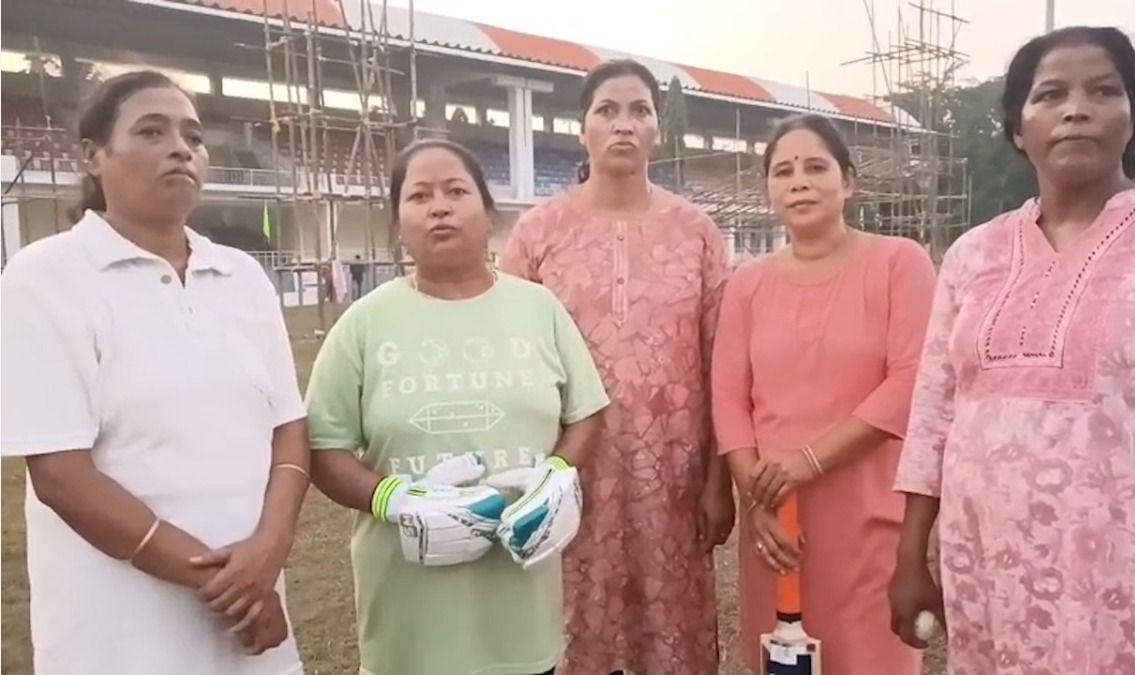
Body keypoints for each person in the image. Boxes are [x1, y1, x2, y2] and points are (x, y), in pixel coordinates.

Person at [889, 26, 1135, 675]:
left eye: (1103, 91)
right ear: (1016, 129)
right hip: (988, 580)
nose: (1076, 108)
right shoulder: (975, 254)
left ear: (1134, 118)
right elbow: (934, 411)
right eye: (1050, 94)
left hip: (1126, 588)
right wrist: (911, 556)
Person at [0, 70, 309, 674]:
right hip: (121, 637)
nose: (181, 149)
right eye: (151, 131)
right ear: (93, 156)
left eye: (194, 138)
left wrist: (268, 551)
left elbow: (289, 429)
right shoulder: (46, 278)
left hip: (253, 625)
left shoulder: (242, 276)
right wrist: (228, 584)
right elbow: (62, 475)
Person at [304, 138, 609, 675]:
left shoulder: (539, 309)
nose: (439, 206)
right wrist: (392, 499)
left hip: (520, 609)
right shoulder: (364, 323)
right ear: (398, 220)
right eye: (419, 195)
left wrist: (559, 472)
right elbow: (323, 448)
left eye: (455, 191)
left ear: (487, 212)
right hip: (409, 618)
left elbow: (586, 413)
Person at [501, 57, 735, 675]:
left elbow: (721, 364)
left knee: (674, 634)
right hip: (573, 475)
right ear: (583, 128)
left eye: (640, 110)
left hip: (675, 482)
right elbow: (512, 358)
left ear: (659, 129)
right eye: (607, 110)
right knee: (580, 629)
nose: (623, 124)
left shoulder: (698, 233)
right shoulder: (537, 233)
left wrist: (717, 480)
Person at [710, 113, 937, 674]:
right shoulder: (748, 283)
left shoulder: (897, 263)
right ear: (767, 189)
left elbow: (913, 381)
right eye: (783, 171)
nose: (799, 181)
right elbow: (728, 396)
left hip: (869, 515)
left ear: (849, 181)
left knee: (869, 659)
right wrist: (755, 498)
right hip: (778, 524)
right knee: (787, 659)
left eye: (816, 167)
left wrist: (809, 462)